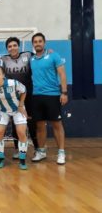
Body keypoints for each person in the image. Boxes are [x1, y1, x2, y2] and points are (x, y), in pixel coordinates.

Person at [30, 33, 68, 165]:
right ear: (33, 44)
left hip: (52, 95)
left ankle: (61, 152)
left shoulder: (54, 55)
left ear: (44, 43)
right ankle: (41, 151)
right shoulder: (32, 59)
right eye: (35, 42)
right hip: (37, 96)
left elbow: (62, 74)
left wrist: (64, 92)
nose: (38, 43)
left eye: (40, 41)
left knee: (56, 124)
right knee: (40, 125)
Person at [2, 37, 38, 159]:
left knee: (32, 122)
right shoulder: (4, 60)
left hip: (29, 95)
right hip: (13, 97)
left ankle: (37, 149)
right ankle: (17, 149)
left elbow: (39, 56)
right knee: (15, 123)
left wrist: (49, 52)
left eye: (14, 45)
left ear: (18, 46)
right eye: (10, 46)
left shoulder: (28, 55)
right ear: (7, 49)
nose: (12, 48)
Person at [0, 65, 29, 170]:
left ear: (3, 75)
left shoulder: (13, 83)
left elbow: (24, 91)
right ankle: (0, 159)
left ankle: (22, 160)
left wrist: (21, 105)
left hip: (17, 109)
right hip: (3, 111)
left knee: (21, 133)